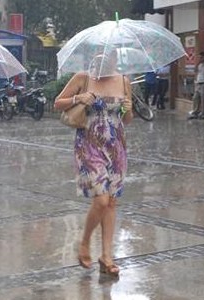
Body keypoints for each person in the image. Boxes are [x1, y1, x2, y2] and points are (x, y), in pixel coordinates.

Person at [54, 52, 133, 277]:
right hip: (89, 145)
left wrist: (128, 107)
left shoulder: (124, 82)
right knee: (101, 200)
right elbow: (58, 103)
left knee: (111, 203)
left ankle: (107, 256)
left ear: (115, 61)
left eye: (109, 60)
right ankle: (85, 242)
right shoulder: (83, 78)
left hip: (116, 146)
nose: (103, 64)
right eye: (99, 59)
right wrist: (79, 98)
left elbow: (127, 120)